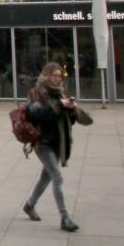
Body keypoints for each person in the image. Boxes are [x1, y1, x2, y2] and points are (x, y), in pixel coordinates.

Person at [21, 63, 82, 232]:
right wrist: (59, 106)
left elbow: (70, 120)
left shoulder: (60, 93)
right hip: (43, 142)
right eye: (54, 75)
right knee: (57, 177)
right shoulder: (36, 93)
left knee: (46, 177)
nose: (57, 78)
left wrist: (71, 109)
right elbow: (36, 115)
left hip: (58, 142)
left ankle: (29, 205)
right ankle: (65, 217)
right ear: (46, 76)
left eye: (59, 76)